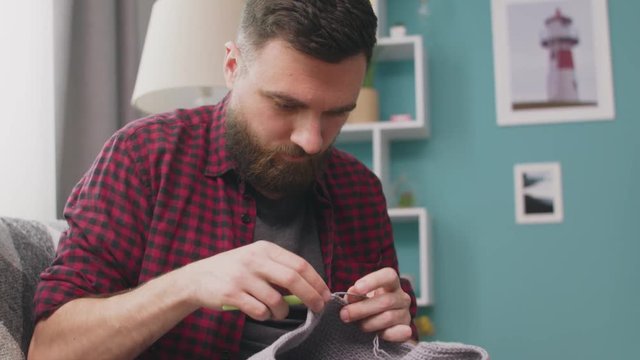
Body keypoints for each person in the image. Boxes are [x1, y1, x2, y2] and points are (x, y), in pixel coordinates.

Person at [29, 0, 417, 359]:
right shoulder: (144, 157)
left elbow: (394, 342)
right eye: (286, 105)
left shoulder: (359, 189)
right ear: (232, 67)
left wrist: (398, 329)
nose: (311, 141)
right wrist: (188, 284)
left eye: (337, 113)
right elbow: (50, 351)